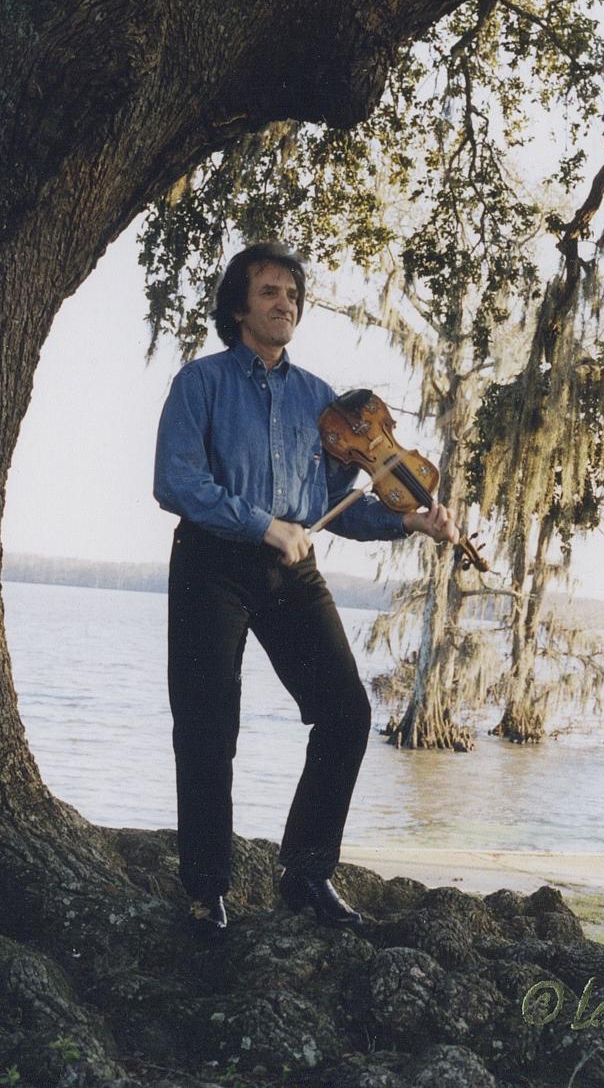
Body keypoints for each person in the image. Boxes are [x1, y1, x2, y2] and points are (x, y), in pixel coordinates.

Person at [153, 242, 460, 937]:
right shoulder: (199, 384)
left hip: (290, 570)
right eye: (268, 291)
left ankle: (306, 873)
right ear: (239, 307)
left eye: (291, 293)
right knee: (208, 729)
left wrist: (409, 519)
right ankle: (206, 891)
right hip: (211, 565)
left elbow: (338, 502)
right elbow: (176, 481)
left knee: (346, 713)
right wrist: (263, 525)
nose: (284, 302)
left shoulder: (319, 399)